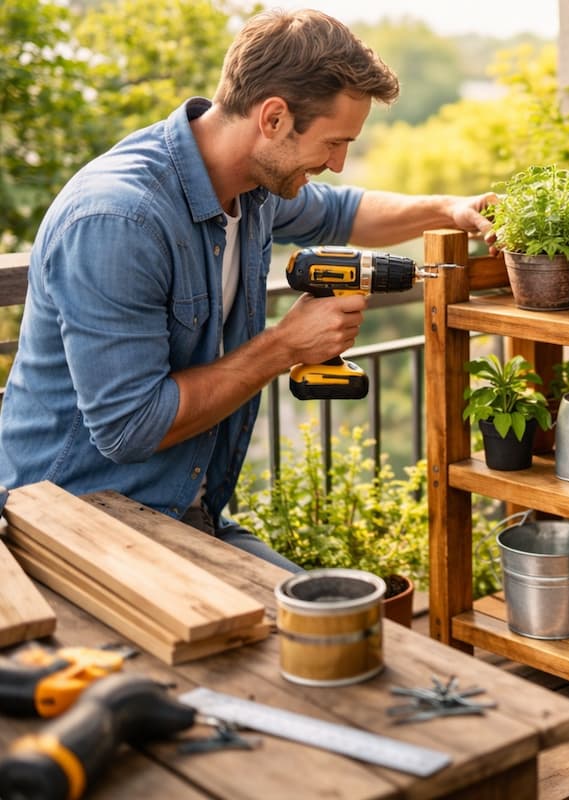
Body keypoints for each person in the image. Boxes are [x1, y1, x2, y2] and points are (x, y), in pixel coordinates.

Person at [0, 9, 495, 571]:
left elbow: (343, 211)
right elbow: (130, 426)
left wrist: (449, 209)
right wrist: (286, 345)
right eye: (334, 143)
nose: (338, 163)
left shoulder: (254, 187)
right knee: (311, 621)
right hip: (73, 529)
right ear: (274, 118)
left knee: (342, 613)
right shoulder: (120, 220)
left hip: (181, 512)